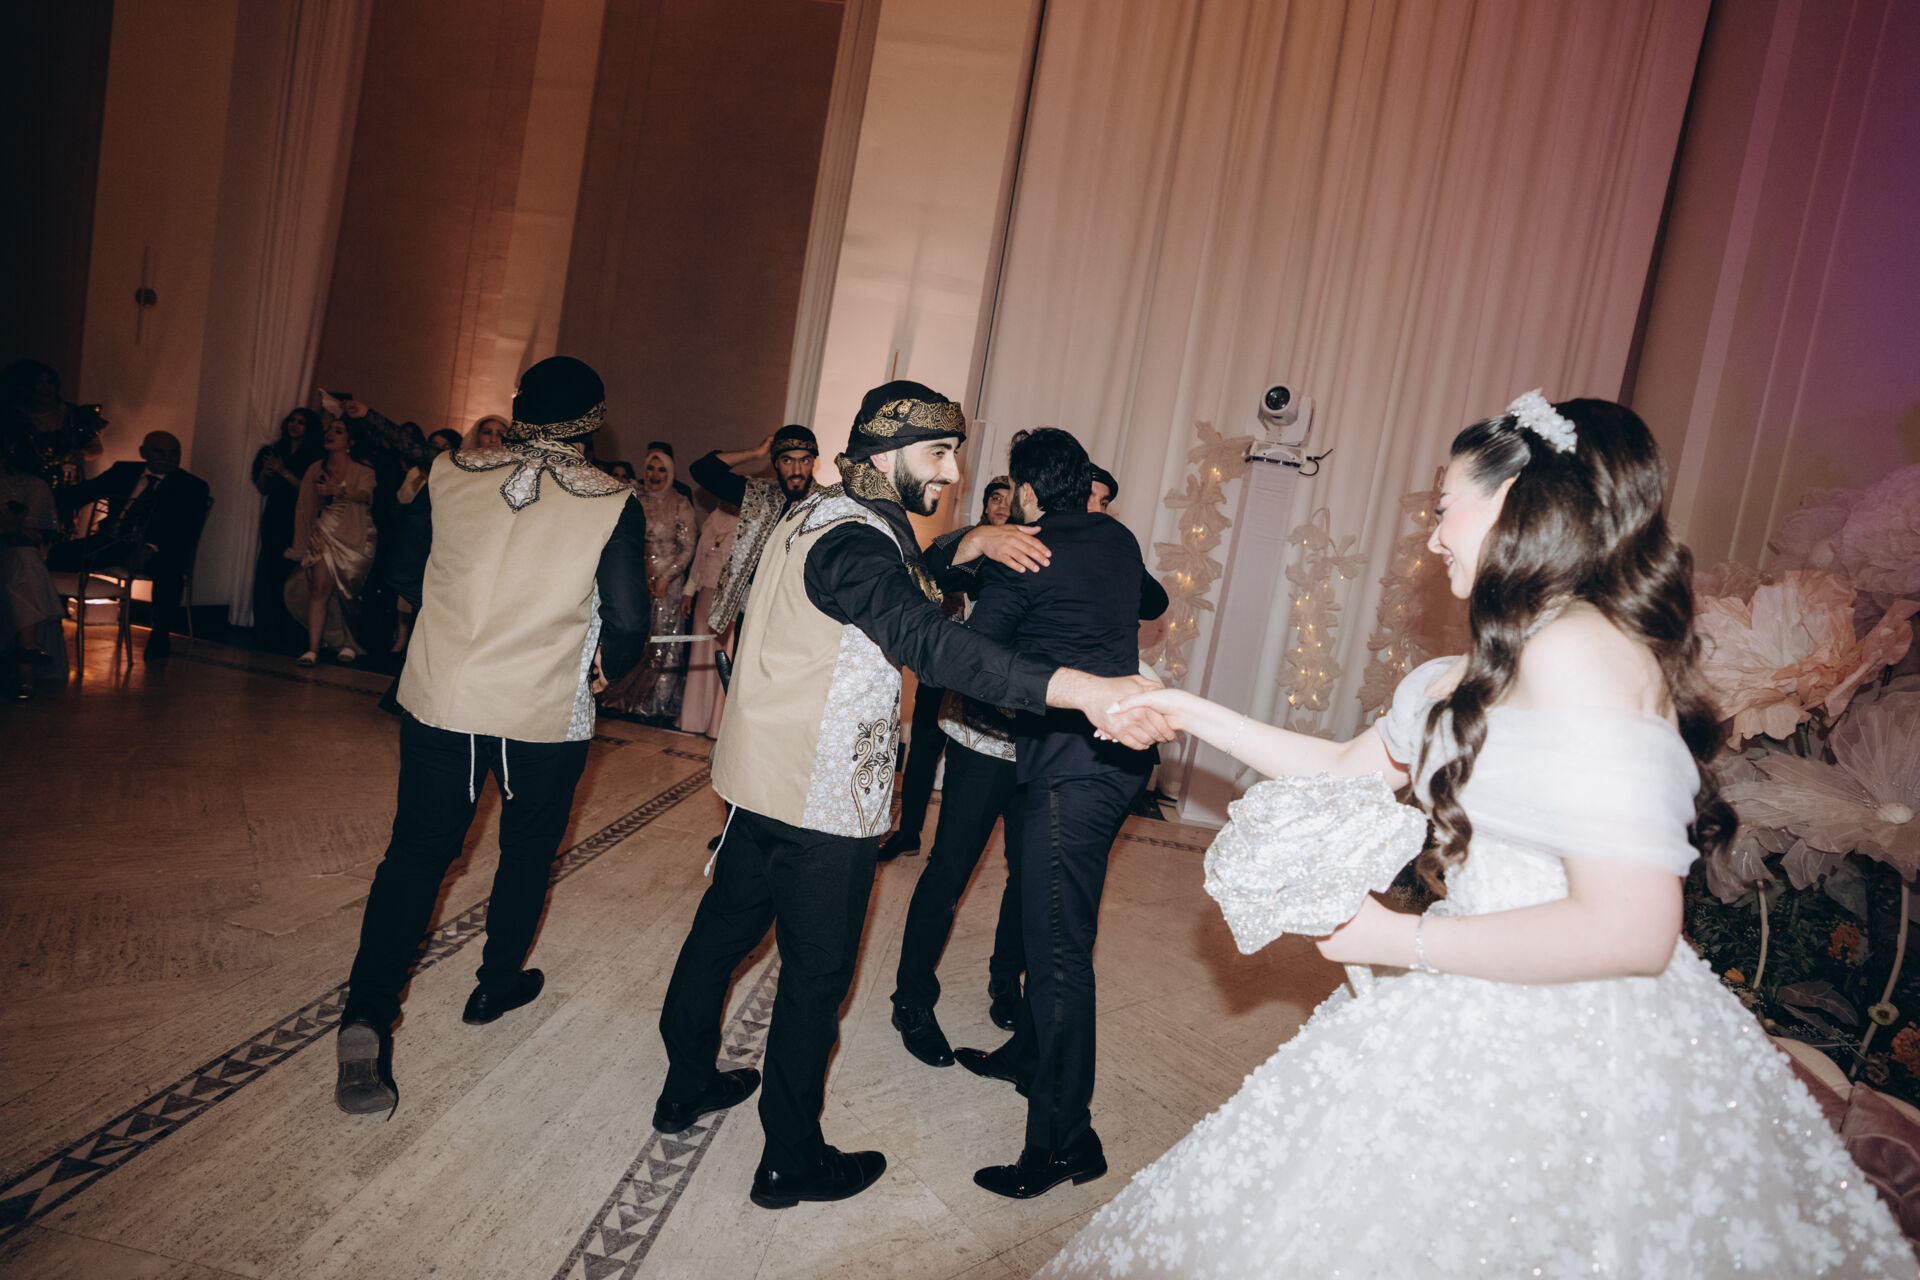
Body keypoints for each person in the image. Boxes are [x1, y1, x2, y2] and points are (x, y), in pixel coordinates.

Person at [1036, 394, 1913, 1275]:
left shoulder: (1583, 652)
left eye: (1443, 507)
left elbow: (1631, 930)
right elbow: (1339, 765)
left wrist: (1396, 938)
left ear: (1514, 502)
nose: (1432, 538)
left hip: (1569, 1028)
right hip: (1468, 975)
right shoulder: (1467, 672)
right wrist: (1183, 710)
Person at [651, 381, 1162, 1211]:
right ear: (889, 454)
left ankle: (684, 1088)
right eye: (939, 453)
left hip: (756, 780)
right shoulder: (855, 541)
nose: (955, 472)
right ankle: (791, 1161)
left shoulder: (819, 511)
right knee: (816, 979)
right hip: (821, 799)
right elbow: (930, 638)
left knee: (719, 938)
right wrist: (1081, 689)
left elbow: (898, 576)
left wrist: (969, 542)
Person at [334, 356, 650, 1117]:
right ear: (592, 421)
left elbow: (400, 571)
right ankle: (495, 983)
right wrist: (608, 669)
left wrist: (458, 613)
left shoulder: (450, 472)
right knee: (528, 848)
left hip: (444, 692)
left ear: (521, 407)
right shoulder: (612, 499)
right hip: (541, 707)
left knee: (416, 855)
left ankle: (366, 1011)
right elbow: (629, 619)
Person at [940, 428, 1157, 1201]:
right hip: (1103, 760)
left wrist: (979, 563)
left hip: (1075, 769)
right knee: (1041, 922)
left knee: (1060, 954)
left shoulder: (1026, 553)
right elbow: (1146, 603)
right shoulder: (1118, 538)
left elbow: (972, 657)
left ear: (1028, 491)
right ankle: (1027, 1057)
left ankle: (1066, 1143)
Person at [891, 464, 1169, 1061]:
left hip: (1051, 743)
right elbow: (930, 579)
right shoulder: (1010, 546)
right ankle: (911, 999)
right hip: (985, 733)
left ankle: (1005, 982)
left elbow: (1153, 600)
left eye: (1103, 504)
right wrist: (978, 539)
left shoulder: (1103, 548)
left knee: (1029, 875)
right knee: (950, 868)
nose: (1095, 511)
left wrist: (1101, 556)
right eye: (1089, 499)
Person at [877, 475, 1015, 862]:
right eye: (995, 498)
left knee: (964, 766)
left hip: (984, 679)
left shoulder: (1020, 551)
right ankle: (908, 834)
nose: (1002, 506)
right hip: (942, 668)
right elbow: (921, 579)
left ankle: (946, 851)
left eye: (1009, 499)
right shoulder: (958, 543)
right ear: (985, 504)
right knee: (922, 753)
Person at [51, 431, 211, 659]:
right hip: (113, 541)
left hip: (160, 547)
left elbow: (183, 529)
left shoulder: (191, 485)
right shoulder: (123, 471)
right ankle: (53, 621)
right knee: (60, 554)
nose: (168, 459)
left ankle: (160, 634)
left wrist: (150, 547)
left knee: (170, 569)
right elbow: (83, 493)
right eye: (160, 453)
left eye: (174, 454)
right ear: (144, 453)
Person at [602, 445, 696, 722]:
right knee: (636, 637)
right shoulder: (634, 497)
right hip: (635, 577)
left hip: (668, 582)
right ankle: (624, 700)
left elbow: (688, 547)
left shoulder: (680, 503)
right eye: (651, 468)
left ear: (671, 473)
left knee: (661, 643)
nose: (655, 474)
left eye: (662, 469)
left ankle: (654, 705)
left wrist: (666, 577)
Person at [285, 418, 377, 666]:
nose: (330, 434)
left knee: (348, 593)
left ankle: (349, 642)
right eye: (329, 429)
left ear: (350, 441)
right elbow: (304, 507)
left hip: (356, 537)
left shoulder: (363, 470)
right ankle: (313, 649)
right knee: (319, 590)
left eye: (338, 431)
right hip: (324, 533)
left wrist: (338, 490)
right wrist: (300, 544)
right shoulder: (316, 468)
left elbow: (365, 495)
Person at [252, 408, 326, 651]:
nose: (294, 425)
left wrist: (283, 472)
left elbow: (311, 492)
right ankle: (265, 630)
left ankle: (290, 634)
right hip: (275, 516)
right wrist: (267, 472)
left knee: (293, 578)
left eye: (301, 422)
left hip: (299, 520)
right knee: (267, 575)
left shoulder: (315, 457)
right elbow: (263, 488)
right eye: (292, 420)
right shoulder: (276, 450)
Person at [1, 435, 62, 698]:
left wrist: (12, 526)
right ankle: (26, 656)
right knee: (23, 567)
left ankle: (26, 651)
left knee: (25, 560)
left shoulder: (31, 485)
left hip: (11, 554)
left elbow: (33, 533)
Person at [676, 500, 738, 737]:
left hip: (729, 600)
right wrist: (688, 593)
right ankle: (693, 720)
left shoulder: (748, 523)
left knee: (723, 656)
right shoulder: (713, 518)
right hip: (705, 597)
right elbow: (699, 561)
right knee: (700, 656)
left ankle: (716, 724)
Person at [1, 359, 106, 497]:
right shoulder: (14, 418)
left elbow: (96, 448)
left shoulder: (74, 415)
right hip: (26, 490)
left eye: (50, 382)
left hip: (69, 489)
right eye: (38, 383)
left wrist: (80, 454)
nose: (45, 388)